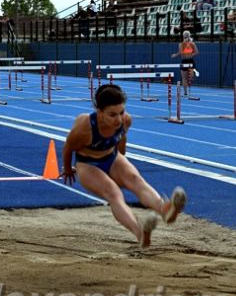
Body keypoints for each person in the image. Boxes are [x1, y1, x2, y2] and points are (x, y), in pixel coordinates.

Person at [61, 84, 187, 247]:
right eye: (112, 115)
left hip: (111, 157)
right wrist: (69, 169)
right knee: (114, 193)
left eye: (121, 112)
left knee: (136, 180)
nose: (118, 119)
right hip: (88, 164)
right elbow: (68, 148)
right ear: (99, 112)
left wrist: (121, 164)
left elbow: (121, 141)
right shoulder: (84, 127)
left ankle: (165, 209)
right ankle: (140, 232)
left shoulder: (125, 121)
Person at [171, 30, 199, 96]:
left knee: (188, 77)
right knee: (184, 77)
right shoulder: (182, 44)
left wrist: (191, 54)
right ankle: (185, 92)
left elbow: (197, 52)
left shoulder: (192, 44)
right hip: (185, 61)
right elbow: (181, 52)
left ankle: (192, 75)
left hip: (190, 61)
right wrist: (176, 54)